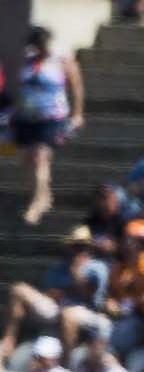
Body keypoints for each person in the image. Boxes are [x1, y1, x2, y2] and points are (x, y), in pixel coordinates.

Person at [15, 26, 84, 225]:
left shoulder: (61, 60)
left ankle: (38, 202)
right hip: (26, 117)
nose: (41, 50)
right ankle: (44, 194)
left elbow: (76, 87)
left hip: (51, 117)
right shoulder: (25, 61)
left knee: (41, 156)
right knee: (25, 159)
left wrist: (77, 114)